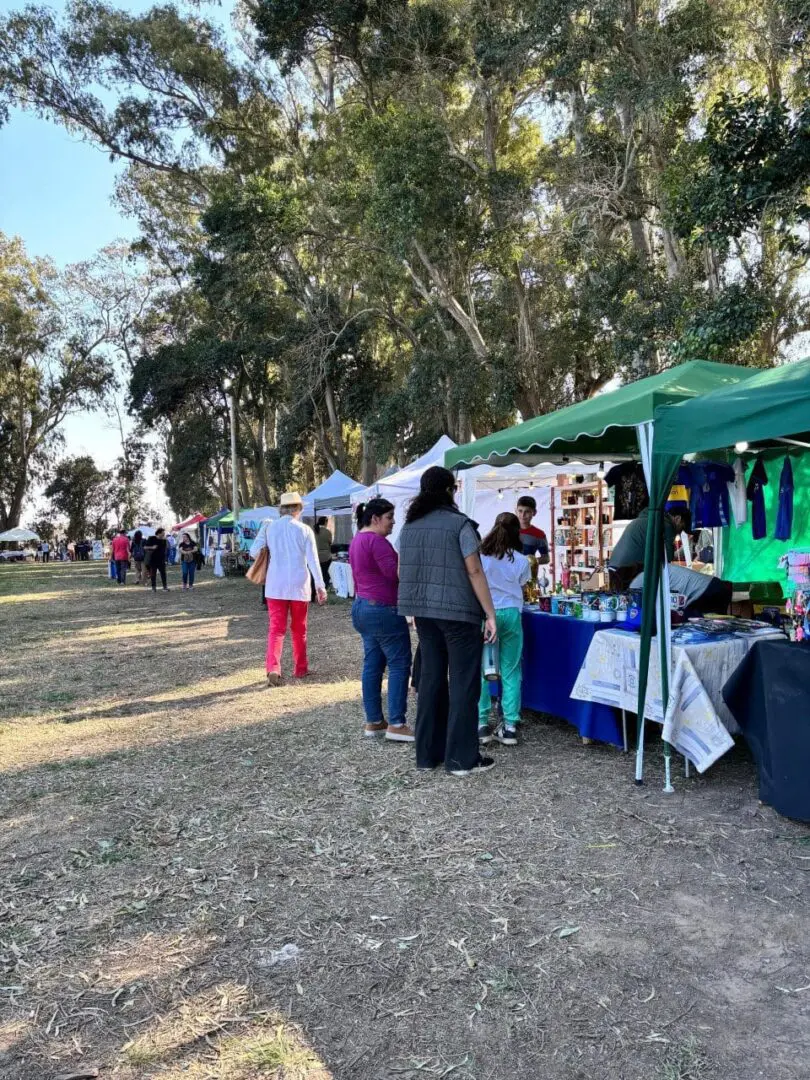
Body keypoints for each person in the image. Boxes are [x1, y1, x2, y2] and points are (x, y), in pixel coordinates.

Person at [398, 466, 498, 777]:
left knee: (430, 682)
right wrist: (490, 613)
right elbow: (474, 571)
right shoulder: (460, 525)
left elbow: (404, 570)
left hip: (424, 615)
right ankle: (461, 759)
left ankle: (427, 755)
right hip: (459, 615)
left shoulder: (409, 527)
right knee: (464, 684)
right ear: (450, 490)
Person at [349, 498, 413, 742]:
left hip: (362, 606)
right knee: (398, 664)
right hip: (383, 609)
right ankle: (397, 723)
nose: (393, 522)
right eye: (389, 517)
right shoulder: (378, 542)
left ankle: (374, 720)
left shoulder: (358, 540)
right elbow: (396, 574)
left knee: (373, 664)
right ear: (375, 518)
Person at [250, 491, 326, 686]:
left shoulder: (269, 527)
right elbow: (313, 561)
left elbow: (253, 552)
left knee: (276, 630)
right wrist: (320, 586)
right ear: (298, 509)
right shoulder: (305, 530)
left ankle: (273, 668)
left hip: (275, 586)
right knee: (299, 629)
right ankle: (301, 668)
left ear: (281, 509)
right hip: (300, 586)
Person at [477, 513, 531, 747]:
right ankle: (509, 726)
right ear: (516, 532)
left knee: (482, 670)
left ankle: (481, 723)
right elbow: (522, 585)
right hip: (510, 614)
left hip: (485, 613)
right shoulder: (521, 560)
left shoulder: (480, 556)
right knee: (510, 671)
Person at [607, 506, 686, 592]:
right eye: (682, 527)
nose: (680, 531)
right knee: (630, 601)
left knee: (619, 600)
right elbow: (668, 557)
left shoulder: (646, 519)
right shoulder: (667, 524)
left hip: (615, 565)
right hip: (627, 568)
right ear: (677, 519)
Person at [515, 495, 549, 562]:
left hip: (528, 571)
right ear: (516, 511)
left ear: (534, 512)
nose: (523, 515)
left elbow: (546, 558)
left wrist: (530, 561)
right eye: (520, 511)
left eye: (527, 511)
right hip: (506, 572)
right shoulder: (507, 530)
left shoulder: (539, 534)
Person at [313, 517, 333, 598]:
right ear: (325, 522)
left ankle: (314, 591)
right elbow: (330, 543)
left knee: (315, 575)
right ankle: (324, 590)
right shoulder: (327, 532)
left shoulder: (313, 531)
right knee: (325, 574)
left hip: (315, 556)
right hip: (326, 557)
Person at [144, 527, 169, 592]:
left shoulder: (164, 540)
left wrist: (166, 559)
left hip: (161, 560)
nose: (164, 535)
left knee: (163, 574)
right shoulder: (151, 538)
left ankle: (165, 587)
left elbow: (165, 550)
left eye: (164, 534)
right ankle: (153, 587)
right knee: (153, 574)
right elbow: (145, 547)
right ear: (159, 533)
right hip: (153, 560)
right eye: (163, 533)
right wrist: (152, 547)